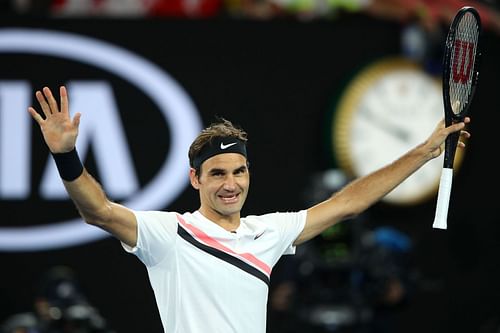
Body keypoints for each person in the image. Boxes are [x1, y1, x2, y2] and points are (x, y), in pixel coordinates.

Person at [28, 85, 470, 333]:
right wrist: (67, 156)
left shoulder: (268, 232)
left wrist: (425, 151)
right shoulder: (169, 235)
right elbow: (99, 211)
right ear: (195, 180)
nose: (230, 184)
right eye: (217, 174)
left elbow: (347, 205)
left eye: (238, 171)